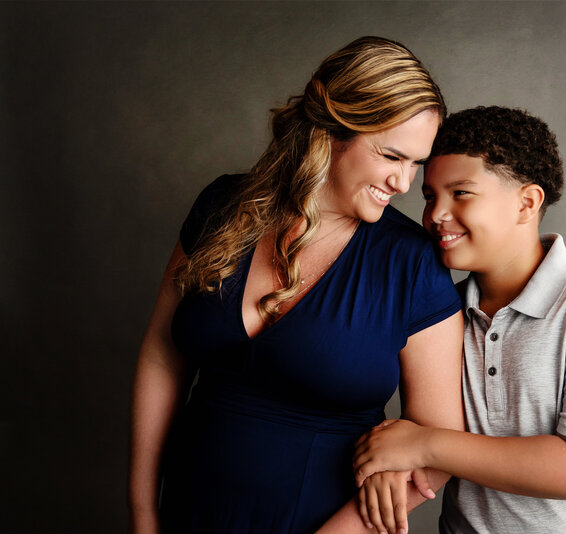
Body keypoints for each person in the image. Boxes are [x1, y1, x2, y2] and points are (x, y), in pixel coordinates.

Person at [128, 36, 465, 534]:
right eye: (393, 156)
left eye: (416, 163)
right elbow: (162, 354)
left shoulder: (411, 260)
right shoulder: (222, 205)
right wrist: (142, 512)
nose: (403, 184)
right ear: (333, 130)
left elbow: (441, 443)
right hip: (188, 515)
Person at [353, 106, 566, 533]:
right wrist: (398, 455)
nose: (436, 214)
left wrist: (422, 445)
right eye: (429, 196)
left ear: (526, 203)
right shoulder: (439, 314)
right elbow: (420, 432)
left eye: (460, 193)